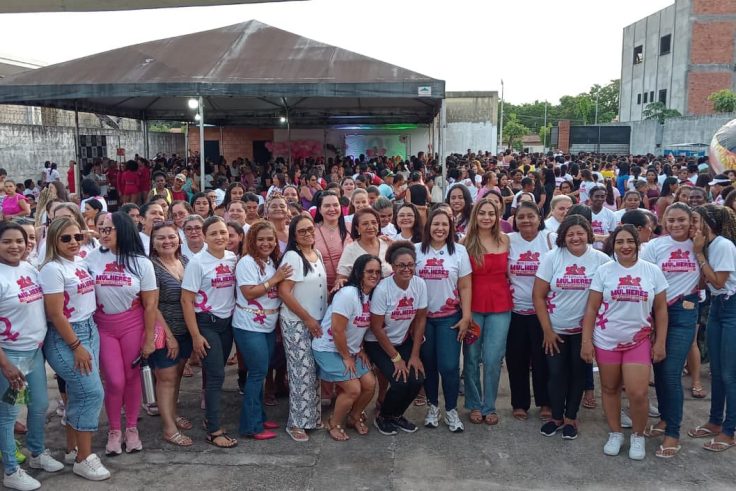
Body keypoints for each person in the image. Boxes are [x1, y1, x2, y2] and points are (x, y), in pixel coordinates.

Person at [581, 224, 668, 460]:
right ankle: (615, 433)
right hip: (606, 339)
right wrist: (586, 341)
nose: (625, 246)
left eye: (630, 241)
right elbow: (592, 308)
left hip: (638, 340)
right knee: (609, 389)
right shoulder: (604, 271)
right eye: (620, 242)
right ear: (613, 245)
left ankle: (638, 436)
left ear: (638, 243)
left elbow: (661, 309)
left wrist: (660, 342)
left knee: (637, 392)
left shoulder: (652, 271)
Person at [39, 217, 109, 481]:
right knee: (92, 392)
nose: (73, 242)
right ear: (53, 240)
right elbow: (55, 314)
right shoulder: (52, 269)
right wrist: (76, 345)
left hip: (90, 328)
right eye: (65, 238)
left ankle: (72, 449)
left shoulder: (80, 261)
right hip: (67, 335)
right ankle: (84, 459)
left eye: (78, 237)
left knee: (78, 394)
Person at [85, 212, 157, 456]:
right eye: (101, 229)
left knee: (131, 376)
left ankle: (132, 428)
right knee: (114, 380)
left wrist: (149, 338)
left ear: (123, 230)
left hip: (133, 324)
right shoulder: (91, 258)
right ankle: (114, 429)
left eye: (109, 229)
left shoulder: (141, 263)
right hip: (103, 325)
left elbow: (150, 304)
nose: (103, 234)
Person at [533, 214, 610, 439]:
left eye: (580, 233)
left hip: (584, 331)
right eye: (570, 234)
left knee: (578, 373)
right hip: (555, 329)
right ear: (563, 236)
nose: (575, 238)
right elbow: (538, 296)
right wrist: (547, 330)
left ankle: (570, 418)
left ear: (588, 234)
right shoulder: (552, 257)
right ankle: (556, 416)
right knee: (556, 373)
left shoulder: (601, 260)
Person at [0, 222, 65, 491]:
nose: (15, 246)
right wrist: (5, 364)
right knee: (8, 413)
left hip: (33, 352)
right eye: (7, 241)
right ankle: (11, 471)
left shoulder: (28, 268)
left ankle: (37, 453)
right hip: (11, 356)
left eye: (20, 240)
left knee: (38, 405)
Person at [640, 203, 700, 457]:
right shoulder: (655, 246)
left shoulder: (700, 245)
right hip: (656, 312)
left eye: (681, 220)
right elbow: (645, 280)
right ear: (663, 222)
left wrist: (701, 250)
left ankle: (673, 433)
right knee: (660, 368)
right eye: (671, 220)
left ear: (691, 221)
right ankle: (665, 418)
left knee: (671, 373)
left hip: (685, 312)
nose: (676, 224)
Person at [181, 216, 237, 448]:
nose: (219, 237)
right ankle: (213, 430)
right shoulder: (197, 263)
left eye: (223, 232)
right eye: (213, 233)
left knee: (216, 372)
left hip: (227, 324)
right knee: (216, 375)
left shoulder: (233, 258)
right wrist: (195, 335)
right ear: (204, 237)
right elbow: (186, 300)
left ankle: (209, 417)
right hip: (206, 323)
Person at [233, 221, 292, 440]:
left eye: (270, 239)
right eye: (260, 239)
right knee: (257, 373)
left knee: (261, 370)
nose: (266, 243)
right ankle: (251, 426)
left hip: (267, 325)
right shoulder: (246, 262)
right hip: (249, 325)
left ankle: (258, 415)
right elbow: (249, 293)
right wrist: (275, 279)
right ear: (252, 241)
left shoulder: (270, 262)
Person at [312, 254, 380, 441]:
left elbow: (358, 327)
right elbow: (337, 330)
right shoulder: (348, 294)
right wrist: (346, 357)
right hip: (328, 348)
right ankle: (333, 423)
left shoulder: (371, 295)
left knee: (369, 384)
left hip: (350, 349)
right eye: (369, 271)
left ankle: (354, 416)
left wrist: (359, 349)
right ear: (359, 273)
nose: (374, 275)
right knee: (353, 388)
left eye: (377, 272)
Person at [415, 209, 472, 432]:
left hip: (450, 317)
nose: (440, 228)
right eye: (435, 224)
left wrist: (466, 316)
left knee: (449, 366)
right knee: (429, 365)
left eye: (444, 225)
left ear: (451, 228)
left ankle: (451, 409)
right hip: (423, 319)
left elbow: (465, 286)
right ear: (428, 227)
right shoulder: (416, 250)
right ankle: (432, 407)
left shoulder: (459, 251)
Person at [687, 205, 736, 452]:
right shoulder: (707, 245)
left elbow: (717, 281)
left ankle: (730, 430)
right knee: (716, 371)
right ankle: (715, 421)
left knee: (728, 373)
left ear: (709, 223)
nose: (692, 226)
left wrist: (698, 254)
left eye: (695, 220)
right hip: (718, 306)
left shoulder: (723, 245)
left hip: (731, 306)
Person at [366, 241, 427, 435]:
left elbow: (420, 320)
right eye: (401, 265)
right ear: (392, 267)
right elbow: (376, 328)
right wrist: (396, 358)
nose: (406, 269)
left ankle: (396, 415)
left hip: (402, 340)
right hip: (378, 343)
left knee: (417, 379)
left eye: (410, 265)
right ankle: (383, 417)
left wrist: (415, 355)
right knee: (400, 381)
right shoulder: (383, 289)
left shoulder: (419, 284)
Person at [461, 198, 512, 425]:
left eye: (491, 213)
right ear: (475, 215)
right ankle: (474, 403)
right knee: (472, 357)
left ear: (497, 216)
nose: (486, 217)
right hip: (473, 306)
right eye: (482, 213)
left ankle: (489, 405)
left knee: (493, 358)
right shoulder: (465, 243)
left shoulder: (506, 240)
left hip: (501, 306)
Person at [277, 215, 327, 442]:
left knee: (313, 370)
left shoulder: (316, 254)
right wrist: (307, 318)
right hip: (297, 322)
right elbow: (284, 292)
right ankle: (296, 422)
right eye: (302, 231)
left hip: (316, 321)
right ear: (294, 236)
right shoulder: (293, 257)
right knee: (300, 371)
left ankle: (312, 418)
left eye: (310, 229)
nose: (307, 234)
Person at [506, 202, 553, 421]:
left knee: (542, 358)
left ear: (539, 218)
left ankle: (545, 401)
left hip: (543, 311)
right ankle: (519, 403)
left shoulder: (550, 239)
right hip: (514, 310)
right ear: (515, 220)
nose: (525, 220)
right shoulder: (508, 240)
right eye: (521, 217)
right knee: (516, 359)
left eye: (530, 216)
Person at [149, 222, 193, 448]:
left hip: (186, 330)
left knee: (176, 377)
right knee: (166, 378)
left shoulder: (184, 261)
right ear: (153, 242)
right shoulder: (151, 267)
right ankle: (169, 428)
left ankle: (172, 413)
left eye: (171, 236)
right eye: (161, 238)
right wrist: (169, 336)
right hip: (164, 332)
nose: (167, 241)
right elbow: (151, 305)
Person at [336, 208, 392, 283]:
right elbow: (341, 278)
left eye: (374, 222)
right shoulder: (351, 249)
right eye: (365, 224)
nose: (370, 227)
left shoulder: (387, 244)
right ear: (357, 228)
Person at [313, 191, 352, 293]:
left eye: (335, 205)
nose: (332, 209)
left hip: (349, 286)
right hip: (320, 288)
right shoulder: (312, 231)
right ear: (319, 209)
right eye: (327, 206)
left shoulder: (351, 228)